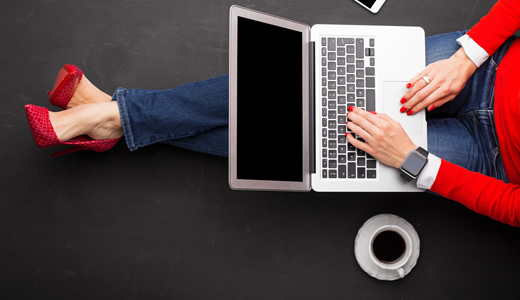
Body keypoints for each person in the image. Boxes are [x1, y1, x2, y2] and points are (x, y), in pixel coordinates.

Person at [25, 0, 520, 226]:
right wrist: (467, 56)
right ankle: (110, 117)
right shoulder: (471, 63)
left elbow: (513, 209)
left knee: (318, 145)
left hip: (488, 158)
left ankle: (109, 116)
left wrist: (412, 161)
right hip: (484, 69)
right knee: (306, 81)